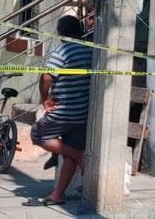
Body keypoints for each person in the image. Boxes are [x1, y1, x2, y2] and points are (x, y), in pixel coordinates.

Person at [23, 15, 93, 207]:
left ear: (60, 33)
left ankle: (76, 156)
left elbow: (46, 77)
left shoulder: (61, 51)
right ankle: (57, 194)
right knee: (70, 149)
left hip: (64, 110)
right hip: (82, 112)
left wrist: (45, 99)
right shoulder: (91, 50)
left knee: (37, 134)